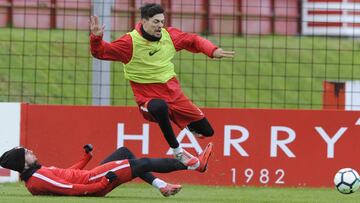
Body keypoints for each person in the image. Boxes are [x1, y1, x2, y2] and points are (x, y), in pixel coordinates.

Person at [89, 3, 234, 167]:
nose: (160, 26)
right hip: (147, 98)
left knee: (207, 131)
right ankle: (178, 152)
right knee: (160, 107)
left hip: (174, 95)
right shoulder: (129, 43)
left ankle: (180, 122)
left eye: (162, 22)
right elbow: (100, 52)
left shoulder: (169, 36)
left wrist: (212, 51)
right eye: (155, 22)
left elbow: (193, 40)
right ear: (143, 21)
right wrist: (96, 38)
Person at [0, 143, 212, 197]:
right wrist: (103, 184)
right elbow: (70, 188)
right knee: (143, 163)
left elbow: (66, 175)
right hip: (95, 181)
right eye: (27, 152)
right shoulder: (37, 179)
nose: (31, 151)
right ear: (23, 163)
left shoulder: (37, 174)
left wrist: (86, 157)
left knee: (125, 152)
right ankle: (193, 164)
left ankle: (162, 186)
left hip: (92, 178)